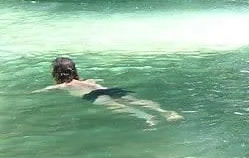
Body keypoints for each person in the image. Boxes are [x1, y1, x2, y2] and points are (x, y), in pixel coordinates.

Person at [39, 56, 182, 126]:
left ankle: (148, 118)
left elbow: (47, 89)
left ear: (57, 73)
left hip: (92, 96)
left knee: (121, 108)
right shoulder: (88, 80)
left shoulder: (65, 86)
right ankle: (167, 113)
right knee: (138, 101)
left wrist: (35, 92)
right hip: (105, 89)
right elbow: (94, 83)